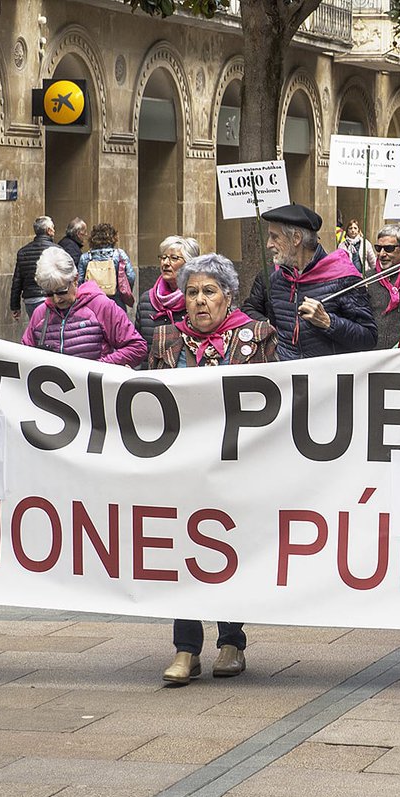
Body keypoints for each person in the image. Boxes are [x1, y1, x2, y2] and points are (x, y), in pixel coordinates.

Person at [148, 253, 278, 685]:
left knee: (227, 552)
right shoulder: (166, 338)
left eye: (209, 292)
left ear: (228, 296)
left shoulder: (257, 336)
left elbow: (284, 398)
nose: (199, 301)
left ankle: (230, 641)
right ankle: (186, 649)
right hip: (181, 468)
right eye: (191, 292)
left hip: (239, 468)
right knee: (181, 555)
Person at [244, 203, 377, 360]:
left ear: (296, 238)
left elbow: (369, 339)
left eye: (275, 237)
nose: (269, 244)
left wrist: (328, 322)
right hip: (286, 379)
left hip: (327, 379)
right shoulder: (276, 280)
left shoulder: (343, 277)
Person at [22, 247, 147, 366]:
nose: (56, 299)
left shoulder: (100, 306)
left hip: (93, 385)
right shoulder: (41, 313)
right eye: (49, 293)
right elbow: (23, 355)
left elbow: (137, 347)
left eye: (61, 291)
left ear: (75, 279)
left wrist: (99, 366)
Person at [137, 236, 199, 345]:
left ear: (189, 264)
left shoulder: (198, 300)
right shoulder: (146, 300)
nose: (165, 263)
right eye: (163, 257)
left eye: (174, 258)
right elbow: (139, 346)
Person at [366, 223, 400, 349]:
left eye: (388, 248)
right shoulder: (367, 279)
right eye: (378, 248)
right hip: (373, 355)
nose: (382, 254)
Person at [78, 222, 135, 312]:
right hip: (116, 301)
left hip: (92, 303)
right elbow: (131, 276)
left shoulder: (85, 258)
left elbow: (79, 282)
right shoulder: (119, 254)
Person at [11, 215, 55, 321]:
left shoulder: (23, 252)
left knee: (35, 327)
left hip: (30, 299)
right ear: (48, 230)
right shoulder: (56, 250)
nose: (54, 231)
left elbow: (17, 281)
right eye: (53, 228)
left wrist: (15, 306)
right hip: (50, 297)